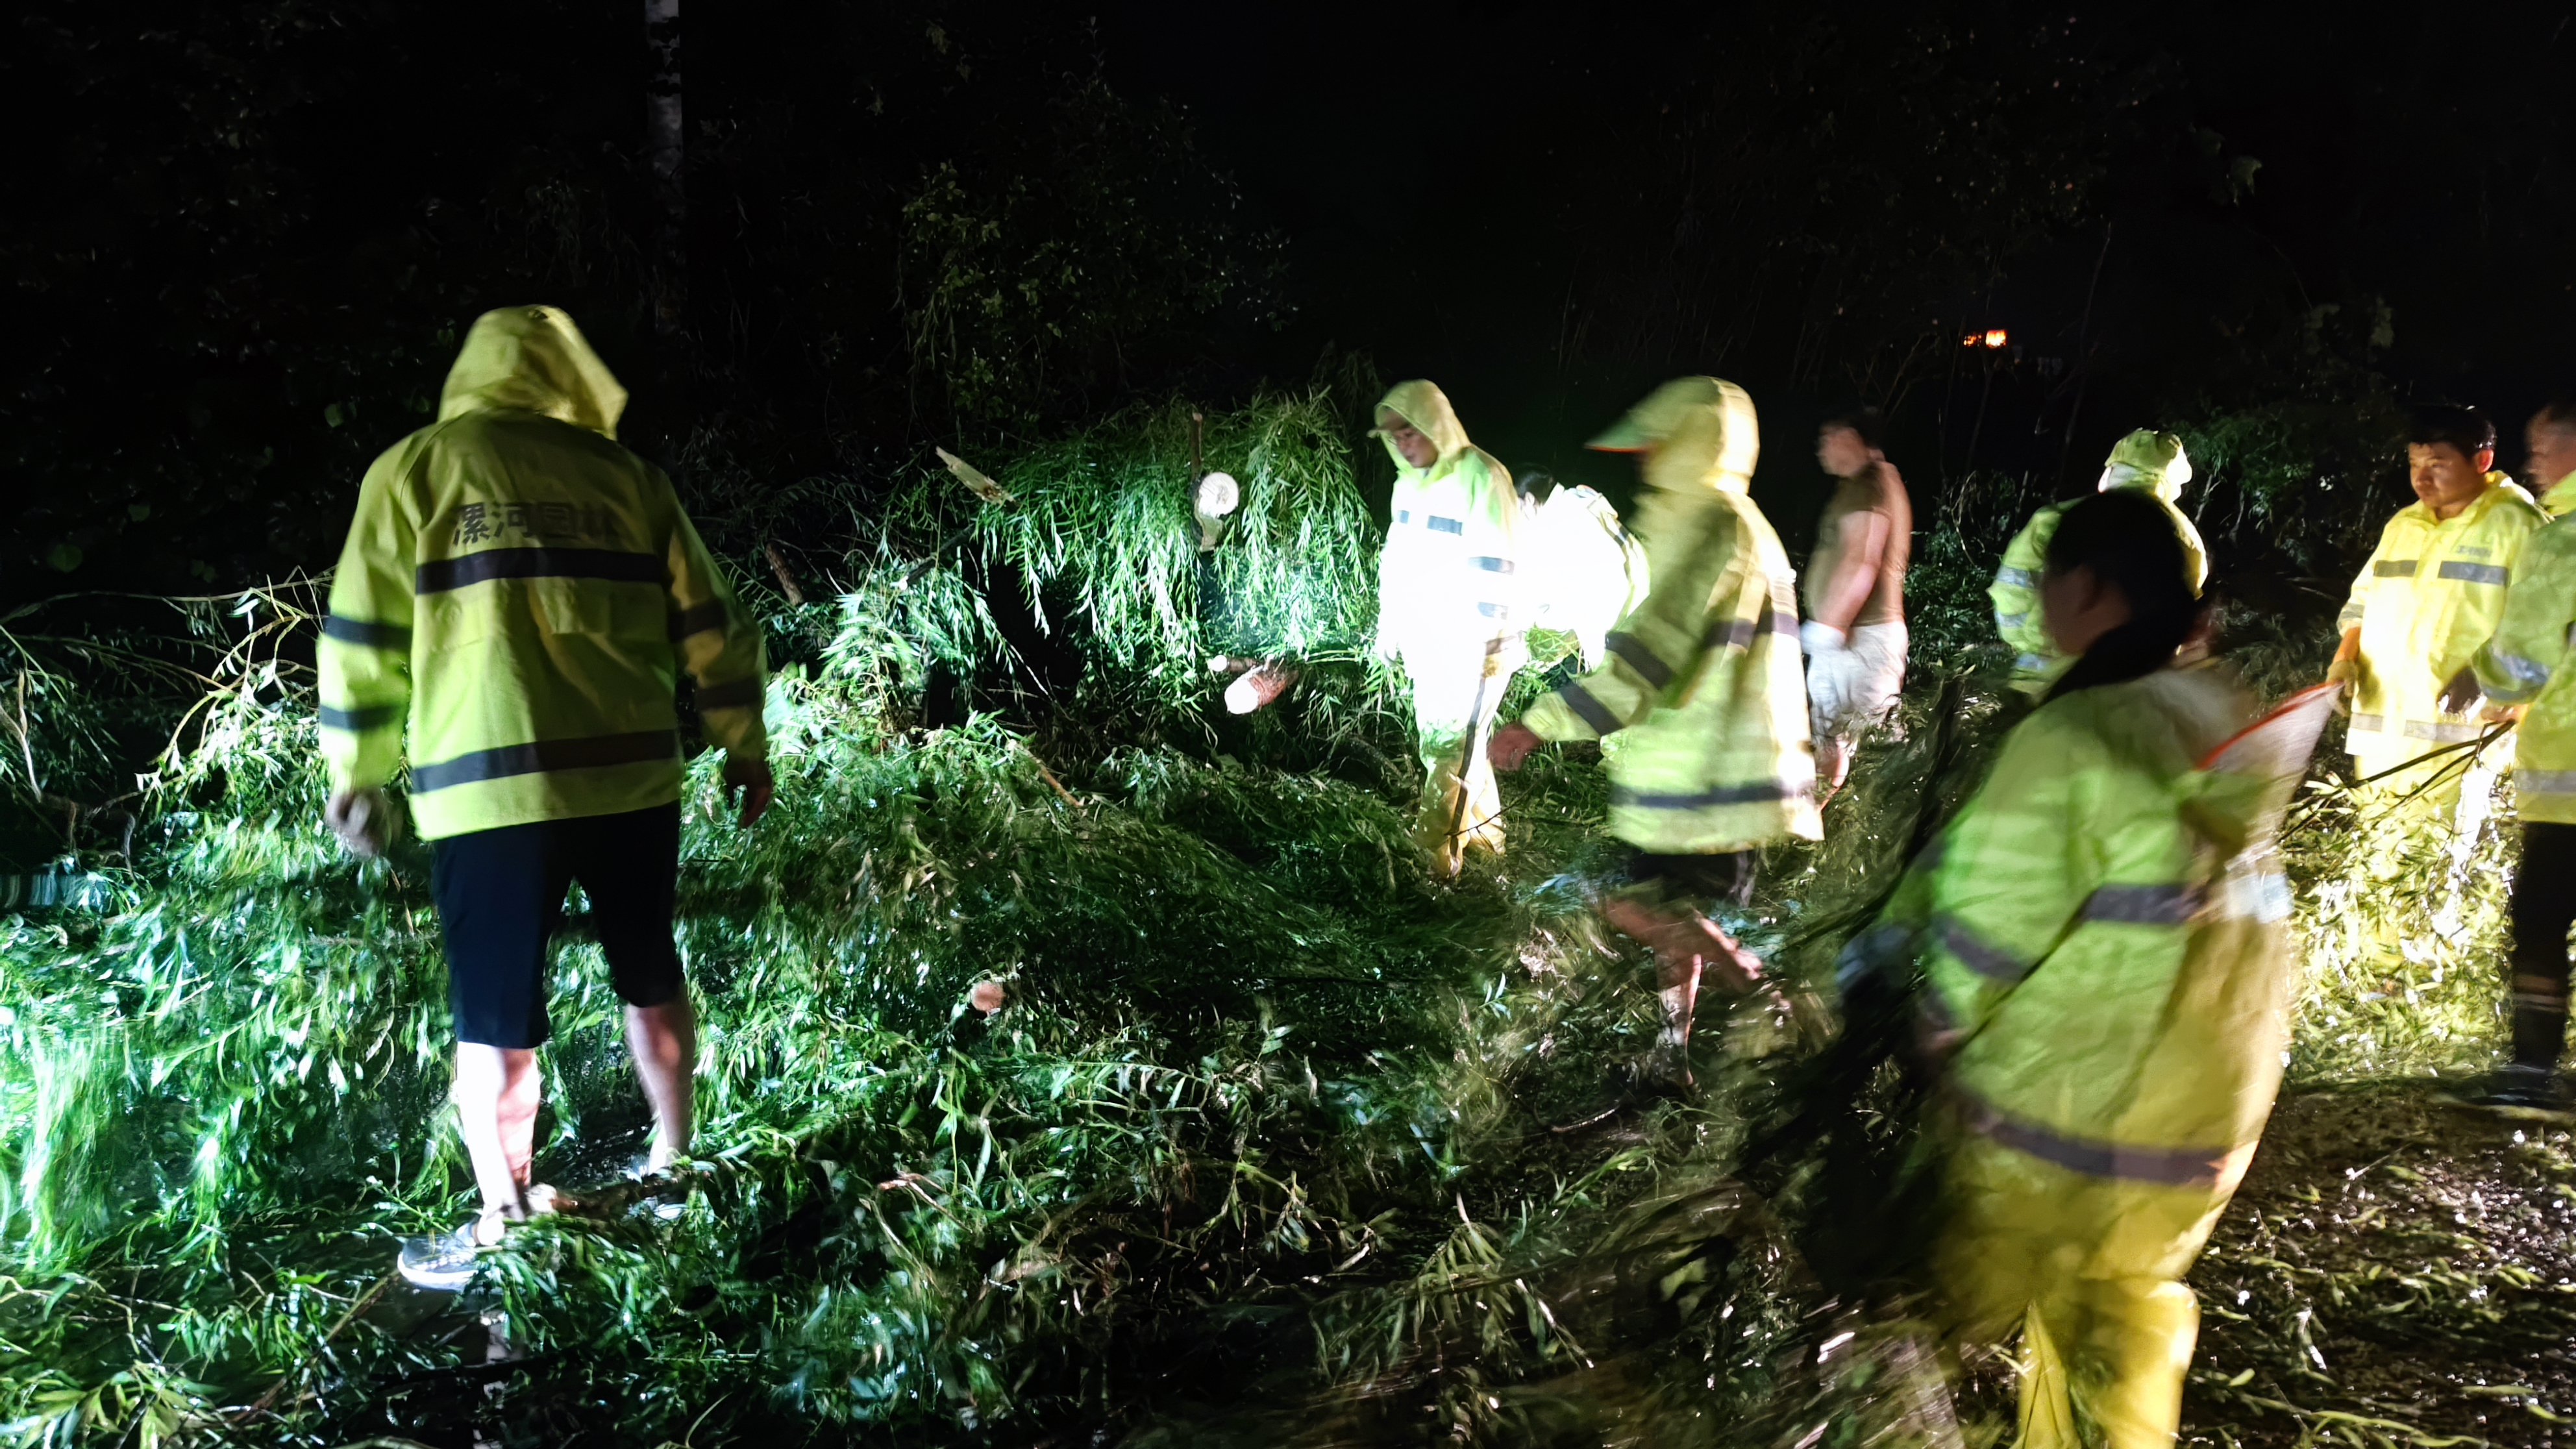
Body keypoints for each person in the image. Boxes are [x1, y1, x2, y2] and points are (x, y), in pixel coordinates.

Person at [317, 306, 773, 1289]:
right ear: (574, 373)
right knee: (650, 970)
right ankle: (674, 1162)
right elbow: (715, 624)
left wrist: (357, 771)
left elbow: (362, 636)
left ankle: (507, 1213)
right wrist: (745, 747)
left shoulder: (416, 472)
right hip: (630, 781)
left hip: (489, 794)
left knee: (493, 1014)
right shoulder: (629, 481)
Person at [1857, 489, 2301, 1449]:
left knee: (1947, 1300)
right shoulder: (2219, 714)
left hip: (2074, 1099)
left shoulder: (2078, 734)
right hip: (2213, 1102)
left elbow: (1991, 927)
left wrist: (1931, 1020)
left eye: (2045, 577)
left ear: (2088, 589)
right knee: (2121, 1316)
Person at [1489, 378, 1819, 1089]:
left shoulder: (1709, 527)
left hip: (1704, 777)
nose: (1642, 461)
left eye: (1655, 445)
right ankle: (1674, 1053)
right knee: (1676, 916)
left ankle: (1775, 1006)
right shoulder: (1736, 520)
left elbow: (1650, 652)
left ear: (1691, 444)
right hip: (1710, 769)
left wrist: (1537, 725)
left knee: (1619, 899)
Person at [2453, 391, 2576, 1113]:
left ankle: (2529, 1074)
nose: (2533, 464)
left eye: (2543, 448)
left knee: (2537, 918)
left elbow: (2523, 659)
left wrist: (2478, 678)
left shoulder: (2560, 541)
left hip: (2568, 778)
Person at [2329, 406, 2542, 823]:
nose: (2421, 478)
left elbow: (2545, 627)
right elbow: (2362, 604)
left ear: (2482, 461)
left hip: (2459, 743)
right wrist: (2343, 660)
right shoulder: (2403, 526)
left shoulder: (2520, 527)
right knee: (2372, 863)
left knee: (2435, 873)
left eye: (2437, 465)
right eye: (2414, 464)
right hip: (2381, 738)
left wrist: (2491, 678)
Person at [1371, 380, 1526, 870]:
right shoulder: (1406, 485)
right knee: (1452, 747)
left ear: (1436, 425)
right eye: (1393, 435)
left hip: (1477, 648)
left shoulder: (1482, 476)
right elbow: (1396, 564)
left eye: (1410, 431)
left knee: (1449, 751)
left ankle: (1435, 867)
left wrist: (1487, 642)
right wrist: (1389, 627)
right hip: (1430, 646)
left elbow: (1498, 565)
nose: (1402, 442)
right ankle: (1488, 845)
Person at [1990, 430, 2205, 699]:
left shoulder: (2059, 517)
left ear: (2111, 471)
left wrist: (2036, 644)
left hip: (2043, 680)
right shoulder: (2189, 543)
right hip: (2139, 690)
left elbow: (2011, 593)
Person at [1802, 408, 1914, 794]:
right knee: (1833, 740)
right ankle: (1813, 826)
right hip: (1857, 639)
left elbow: (1860, 558)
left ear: (1851, 435)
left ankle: (1898, 833)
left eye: (1829, 435)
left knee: (1876, 746)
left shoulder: (1870, 483)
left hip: (1859, 640)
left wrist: (1828, 626)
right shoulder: (1873, 481)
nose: (1821, 447)